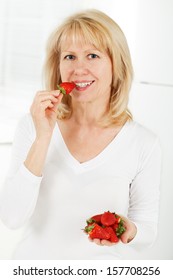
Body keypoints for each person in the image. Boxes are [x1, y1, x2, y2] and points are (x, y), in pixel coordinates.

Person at [0, 9, 162, 260]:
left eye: (93, 55)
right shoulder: (32, 126)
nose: (79, 68)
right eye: (70, 57)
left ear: (116, 65)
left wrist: (130, 230)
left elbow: (147, 231)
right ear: (58, 66)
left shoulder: (144, 143)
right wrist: (43, 138)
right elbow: (11, 217)